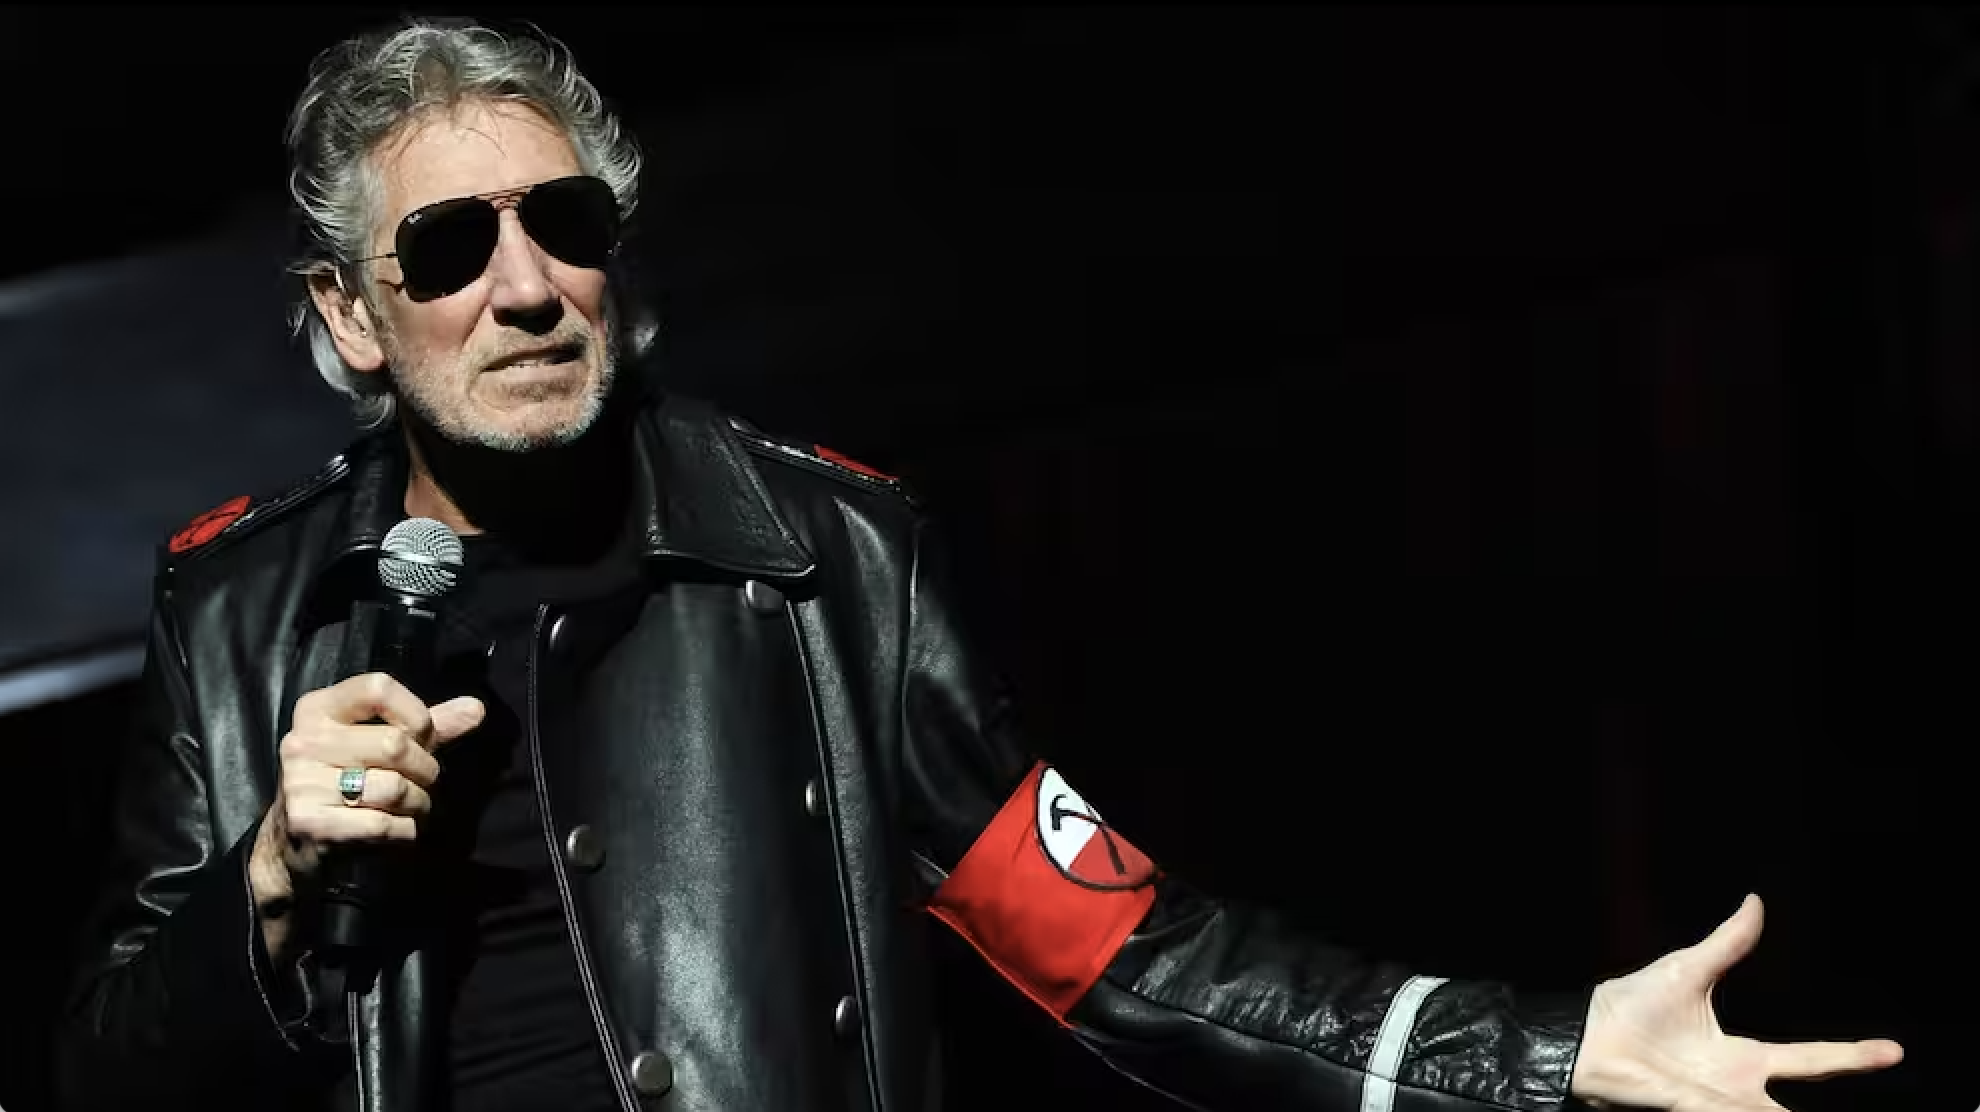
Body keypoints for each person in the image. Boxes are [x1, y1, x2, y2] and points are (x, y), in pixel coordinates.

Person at [56, 16, 1901, 1112]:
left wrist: (1533, 1055)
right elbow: (107, 1076)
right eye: (454, 246)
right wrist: (272, 883)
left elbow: (1118, 948)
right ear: (352, 316)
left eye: (569, 223)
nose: (528, 287)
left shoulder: (828, 559)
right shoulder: (240, 615)